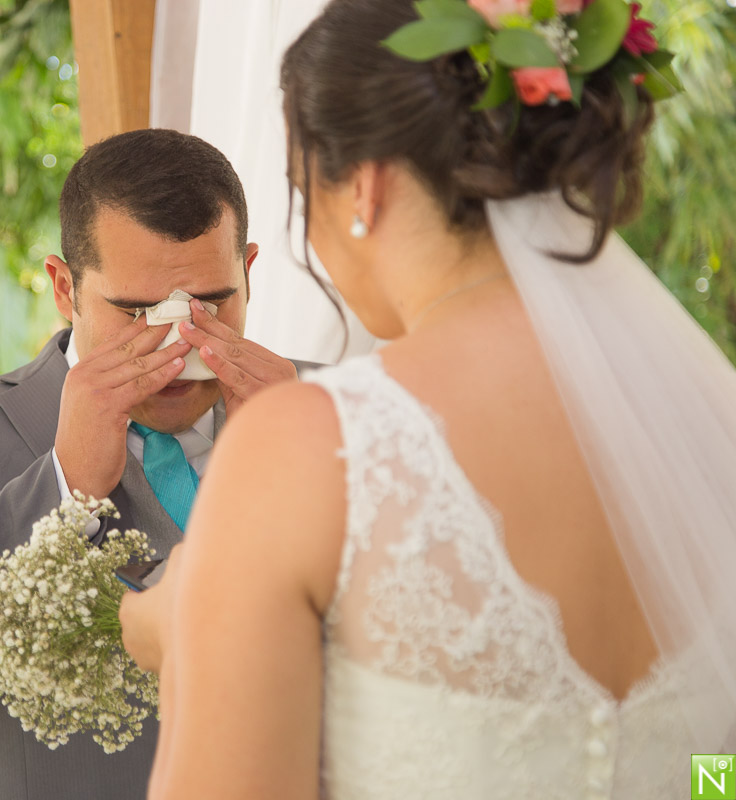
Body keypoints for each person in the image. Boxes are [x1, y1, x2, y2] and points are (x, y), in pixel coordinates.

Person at [119, 1, 736, 798]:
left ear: (363, 188)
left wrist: (187, 636)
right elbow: (716, 774)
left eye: (303, 191)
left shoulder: (308, 444)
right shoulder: (706, 427)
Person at [0, 128, 301, 800]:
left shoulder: (334, 408)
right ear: (65, 288)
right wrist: (61, 487)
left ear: (248, 273)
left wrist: (301, 471)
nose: (177, 344)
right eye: (137, 311)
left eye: (210, 304)